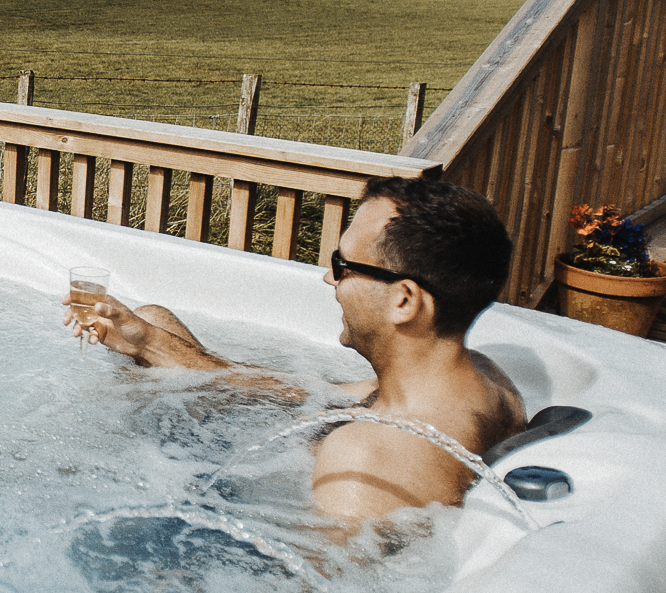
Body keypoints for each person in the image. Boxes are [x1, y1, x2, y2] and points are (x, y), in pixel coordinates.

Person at [65, 177, 526, 534]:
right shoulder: (476, 380)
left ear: (404, 300)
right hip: (259, 466)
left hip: (218, 507)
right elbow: (308, 392)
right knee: (155, 317)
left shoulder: (367, 458)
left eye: (342, 266)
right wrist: (148, 340)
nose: (329, 280)